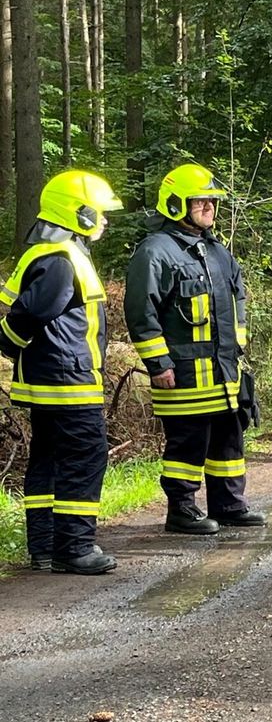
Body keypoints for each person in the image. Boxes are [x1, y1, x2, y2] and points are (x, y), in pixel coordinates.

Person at [125, 163, 265, 534]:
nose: (209, 208)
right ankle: (182, 509)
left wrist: (239, 346)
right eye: (200, 201)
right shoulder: (156, 251)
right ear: (175, 204)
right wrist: (158, 363)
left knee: (229, 439)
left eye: (212, 201)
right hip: (184, 372)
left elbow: (238, 297)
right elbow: (141, 312)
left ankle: (229, 504)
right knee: (187, 442)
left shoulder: (217, 251)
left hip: (223, 372)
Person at [0, 171, 121, 574]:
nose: (104, 220)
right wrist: (8, 343)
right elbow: (31, 314)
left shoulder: (51, 251)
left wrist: (14, 346)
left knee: (48, 460)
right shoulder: (63, 258)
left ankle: (46, 547)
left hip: (50, 378)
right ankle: (75, 548)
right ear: (79, 213)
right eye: (100, 213)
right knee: (85, 458)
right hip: (68, 380)